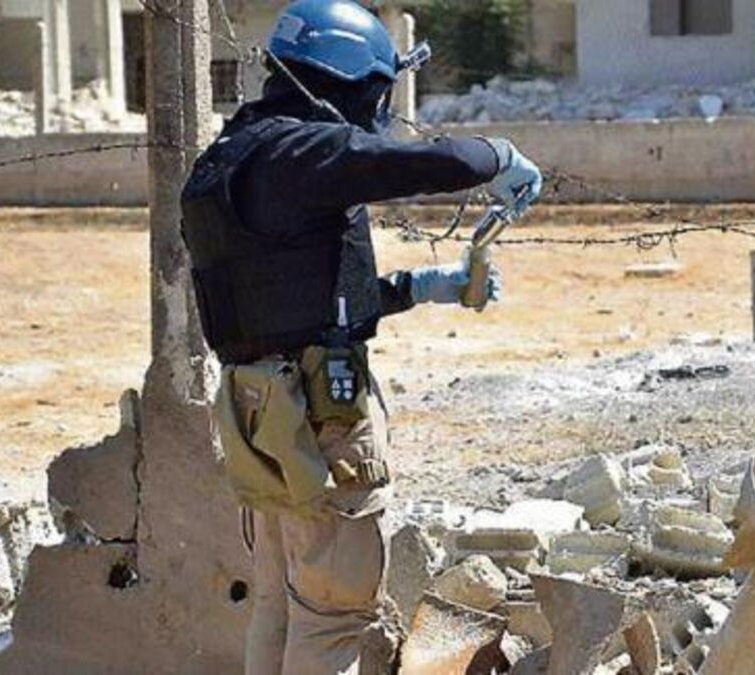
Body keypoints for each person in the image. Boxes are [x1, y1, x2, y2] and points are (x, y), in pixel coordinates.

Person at [179, 1, 542, 672]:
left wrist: (422, 287)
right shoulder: (300, 151)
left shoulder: (232, 156)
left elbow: (298, 301)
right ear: (354, 81)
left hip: (261, 416)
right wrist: (496, 157)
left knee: (280, 605)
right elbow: (397, 162)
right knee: (333, 619)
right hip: (321, 424)